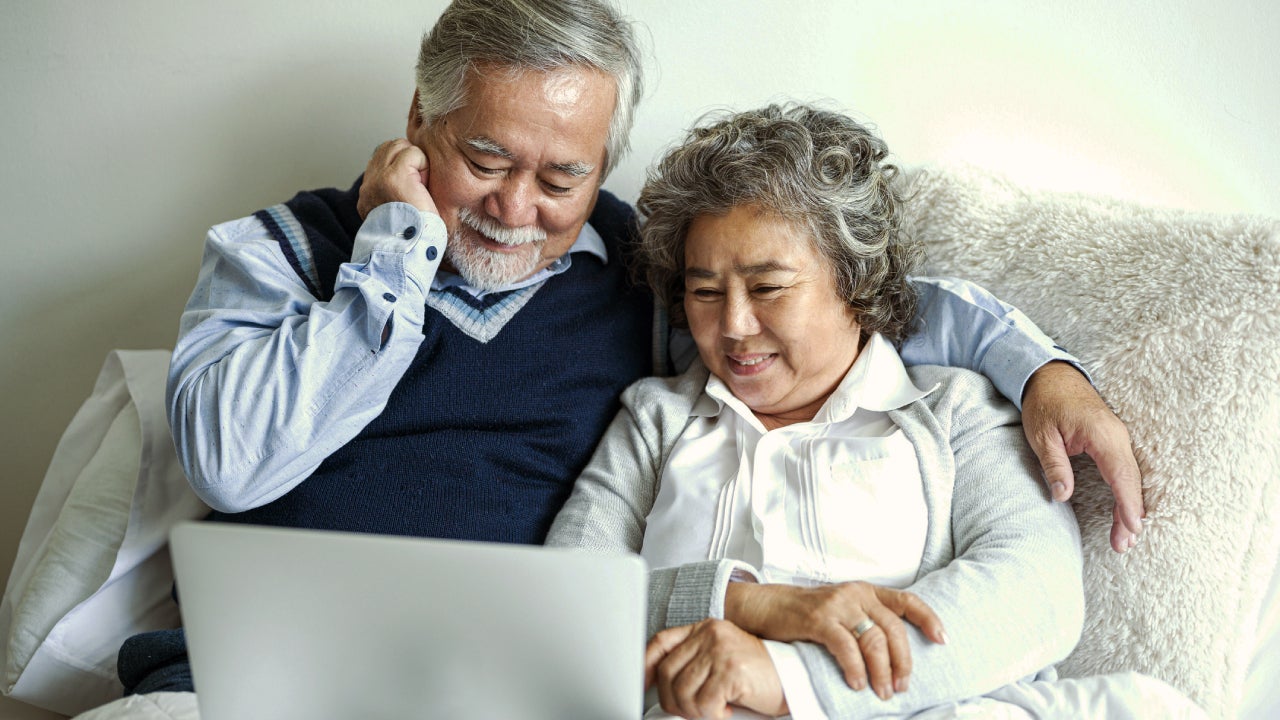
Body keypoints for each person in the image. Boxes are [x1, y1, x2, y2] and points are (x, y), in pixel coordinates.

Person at [114, 0, 1141, 702]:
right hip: (239, 686)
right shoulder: (278, 253)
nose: (517, 209)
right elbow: (231, 464)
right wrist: (393, 255)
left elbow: (848, 313)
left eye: (561, 177)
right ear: (418, 119)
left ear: (603, 164)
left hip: (498, 696)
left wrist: (1040, 369)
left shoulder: (638, 280)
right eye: (482, 159)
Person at [546, 103, 1201, 720]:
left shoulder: (952, 412)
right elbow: (561, 603)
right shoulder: (656, 418)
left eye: (769, 288)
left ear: (855, 287)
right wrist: (743, 603)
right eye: (705, 292)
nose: (735, 325)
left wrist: (788, 677)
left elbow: (1035, 597)